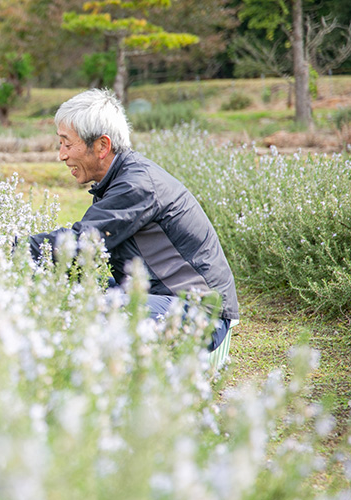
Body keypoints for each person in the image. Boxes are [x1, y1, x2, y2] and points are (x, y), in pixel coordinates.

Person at [26, 89, 238, 351]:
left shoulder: (136, 185)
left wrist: (6, 249)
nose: (61, 154)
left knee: (89, 313)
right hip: (155, 294)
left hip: (197, 311)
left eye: (67, 144)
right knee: (63, 291)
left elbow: (82, 243)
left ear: (102, 146)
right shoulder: (119, 179)